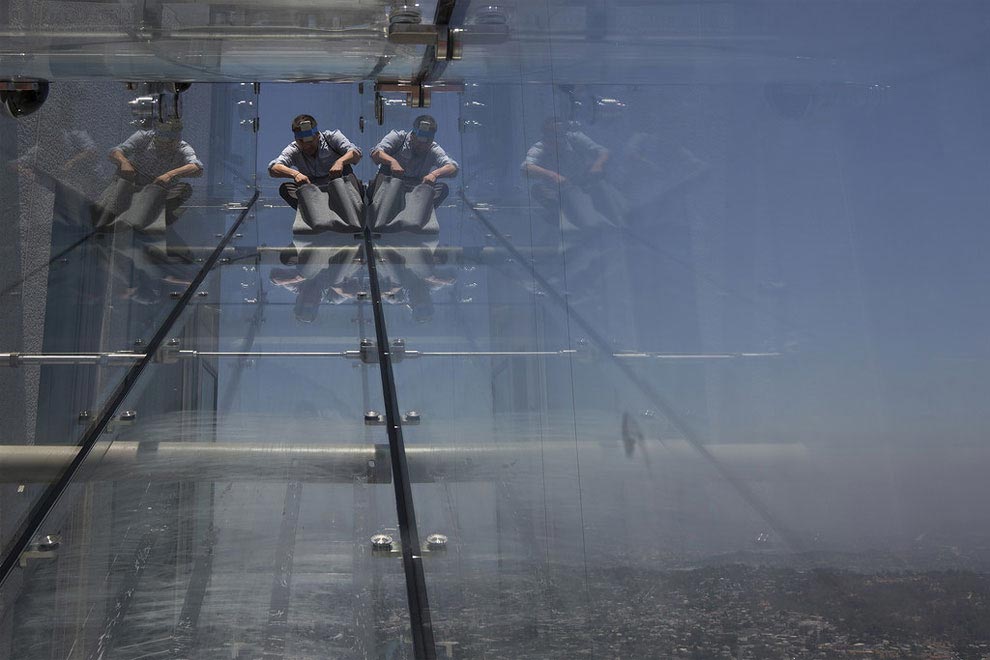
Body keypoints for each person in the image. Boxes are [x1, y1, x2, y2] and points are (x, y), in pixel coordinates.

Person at [108, 119, 203, 223]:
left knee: (184, 190)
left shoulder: (183, 147)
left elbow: (196, 167)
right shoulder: (143, 136)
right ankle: (114, 207)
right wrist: (124, 162)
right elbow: (115, 152)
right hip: (135, 182)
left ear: (176, 140)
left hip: (159, 190)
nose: (164, 146)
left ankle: (160, 214)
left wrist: (169, 175)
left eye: (169, 143)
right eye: (161, 141)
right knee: (122, 173)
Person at [268, 114, 362, 209]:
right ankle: (312, 213)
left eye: (310, 141)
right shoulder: (294, 149)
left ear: (317, 135)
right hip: (314, 195)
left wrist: (340, 162)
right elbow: (273, 168)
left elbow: (355, 154)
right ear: (296, 139)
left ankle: (353, 209)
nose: (307, 146)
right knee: (286, 189)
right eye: (301, 142)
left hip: (341, 190)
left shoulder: (332, 138)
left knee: (349, 176)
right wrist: (295, 174)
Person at [370, 114, 458, 208]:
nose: (422, 146)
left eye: (426, 143)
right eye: (419, 142)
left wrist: (434, 174)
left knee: (442, 189)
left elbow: (452, 167)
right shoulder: (398, 138)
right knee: (384, 170)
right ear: (412, 135)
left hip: (414, 191)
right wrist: (392, 162)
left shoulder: (433, 149)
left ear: (431, 140)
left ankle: (418, 212)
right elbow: (376, 153)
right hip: (389, 186)